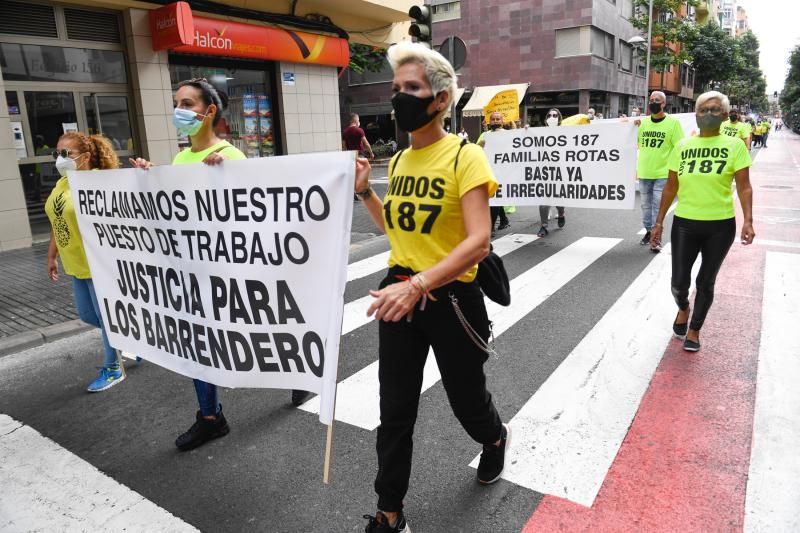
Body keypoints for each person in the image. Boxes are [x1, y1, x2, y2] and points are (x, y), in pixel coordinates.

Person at [355, 42, 509, 533]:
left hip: (451, 300)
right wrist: (365, 192)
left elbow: (479, 241)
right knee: (394, 410)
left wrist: (420, 284)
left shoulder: (466, 158)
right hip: (399, 292)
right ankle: (389, 511)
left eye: (412, 89)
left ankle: (494, 438)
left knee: (467, 401)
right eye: (396, 89)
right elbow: (398, 233)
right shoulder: (398, 162)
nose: (399, 98)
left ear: (441, 99)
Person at [130, 78, 310, 451]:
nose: (179, 109)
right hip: (194, 271)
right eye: (176, 102)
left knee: (257, 331)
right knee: (199, 342)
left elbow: (249, 221)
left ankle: (298, 372)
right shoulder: (180, 159)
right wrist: (148, 180)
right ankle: (211, 417)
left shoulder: (232, 156)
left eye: (187, 103)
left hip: (229, 273)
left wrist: (226, 178)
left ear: (209, 112)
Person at [650, 91, 754, 352]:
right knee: (678, 282)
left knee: (706, 281)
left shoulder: (735, 146)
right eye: (704, 109)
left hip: (720, 226)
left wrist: (748, 220)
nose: (709, 114)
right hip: (685, 223)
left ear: (723, 114)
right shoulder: (683, 146)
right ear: (695, 114)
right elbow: (671, 187)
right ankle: (683, 308)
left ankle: (695, 329)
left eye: (715, 110)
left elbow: (744, 187)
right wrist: (659, 222)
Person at [45, 132, 128, 392]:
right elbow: (57, 222)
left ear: (86, 157)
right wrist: (52, 255)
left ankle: (114, 367)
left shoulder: (99, 184)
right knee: (88, 315)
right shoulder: (62, 185)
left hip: (99, 266)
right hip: (76, 265)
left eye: (66, 154)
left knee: (106, 319)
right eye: (57, 153)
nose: (60, 159)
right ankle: (127, 341)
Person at [636, 91, 684, 251]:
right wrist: (628, 125)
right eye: (651, 100)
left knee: (658, 206)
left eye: (657, 100)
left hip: (663, 174)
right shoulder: (642, 123)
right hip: (644, 172)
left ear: (664, 104)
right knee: (645, 207)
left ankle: (656, 238)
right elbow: (633, 142)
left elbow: (680, 147)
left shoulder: (673, 123)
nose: (653, 102)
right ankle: (649, 232)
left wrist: (677, 172)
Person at [477, 111, 510, 234]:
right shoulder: (485, 135)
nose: (496, 121)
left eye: (498, 119)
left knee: (495, 199)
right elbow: (477, 149)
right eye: (493, 119)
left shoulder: (509, 134)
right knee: (494, 198)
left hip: (503, 172)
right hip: (488, 171)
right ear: (490, 121)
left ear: (502, 121)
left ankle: (490, 228)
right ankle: (503, 219)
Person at [536, 108, 566, 237]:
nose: (552, 117)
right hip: (544, 171)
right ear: (546, 118)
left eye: (555, 115)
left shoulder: (566, 132)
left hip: (560, 171)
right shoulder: (539, 133)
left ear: (559, 118)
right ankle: (544, 226)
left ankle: (561, 214)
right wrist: (525, 130)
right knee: (544, 200)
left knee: (558, 199)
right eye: (550, 115)